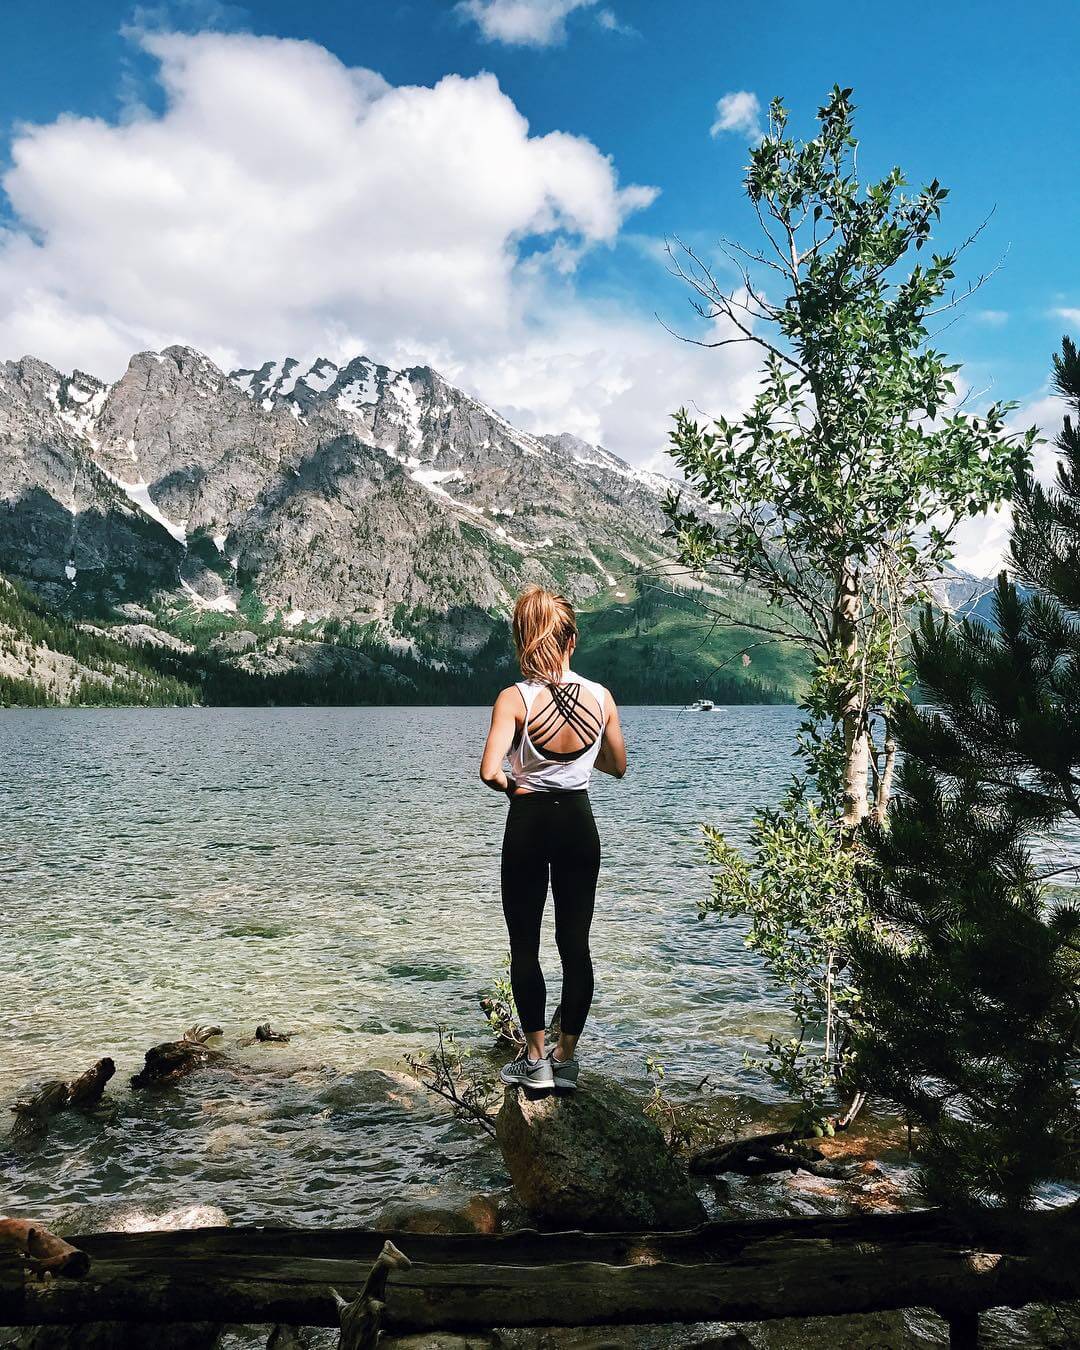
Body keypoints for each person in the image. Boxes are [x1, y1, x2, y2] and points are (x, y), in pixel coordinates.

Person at [479, 584, 627, 1091]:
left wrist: (517, 784)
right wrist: (583, 763)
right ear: (573, 640)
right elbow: (618, 766)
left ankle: (536, 1058)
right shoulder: (600, 697)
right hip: (579, 824)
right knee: (576, 945)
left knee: (525, 943)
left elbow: (489, 771)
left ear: (525, 638)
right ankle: (567, 1059)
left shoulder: (515, 698)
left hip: (529, 822)